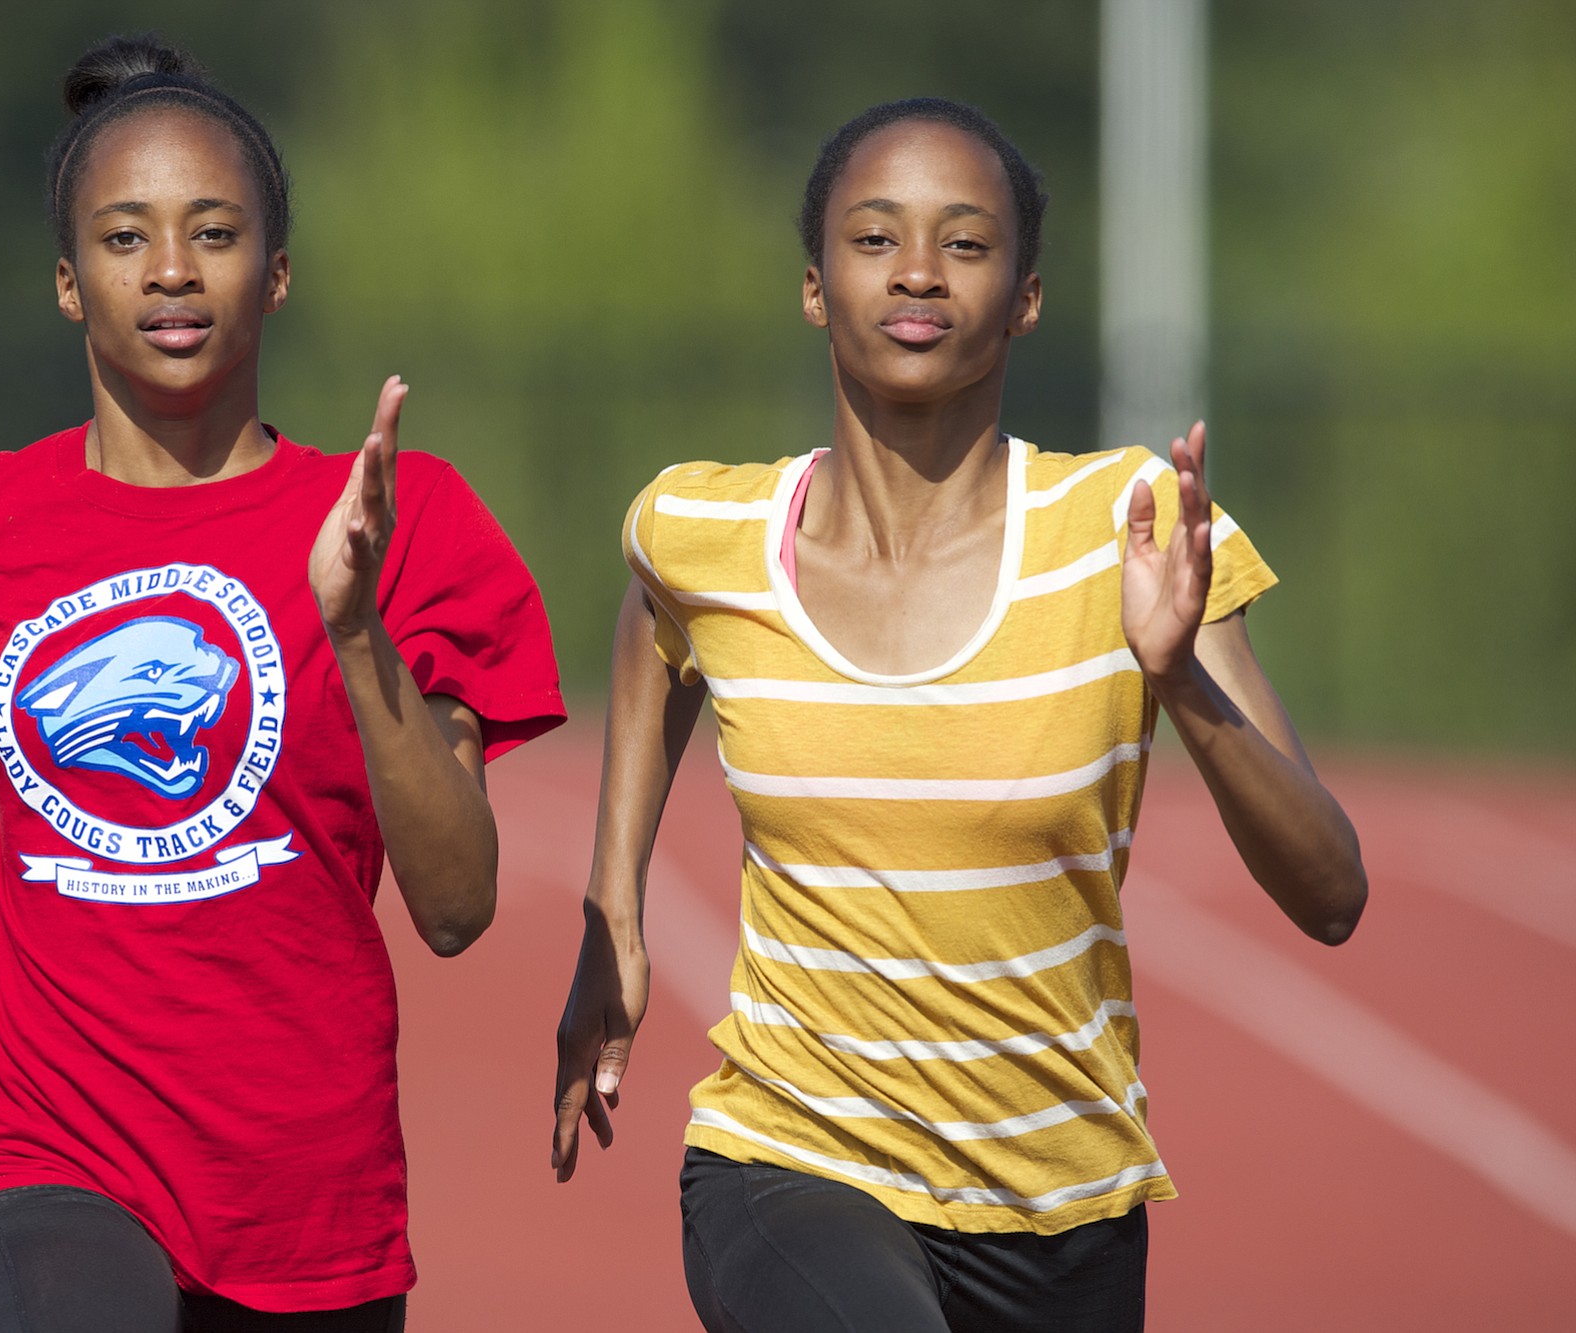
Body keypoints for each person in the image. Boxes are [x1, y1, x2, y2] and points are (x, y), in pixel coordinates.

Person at [550, 98, 1367, 1332]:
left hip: (1062, 1209)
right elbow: (652, 635)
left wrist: (1177, 682)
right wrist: (611, 911)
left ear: (1026, 296)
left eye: (965, 244)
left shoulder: (1129, 530)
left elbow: (1331, 892)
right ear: (815, 287)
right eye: (873, 239)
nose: (917, 272)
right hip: (791, 1154)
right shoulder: (704, 535)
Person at [0, 34, 564, 1332]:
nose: (171, 271)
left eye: (213, 232)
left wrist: (354, 628)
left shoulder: (399, 518)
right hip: (39, 1141)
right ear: (68, 283)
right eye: (125, 237)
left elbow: (456, 903)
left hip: (304, 1198)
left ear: (278, 273)